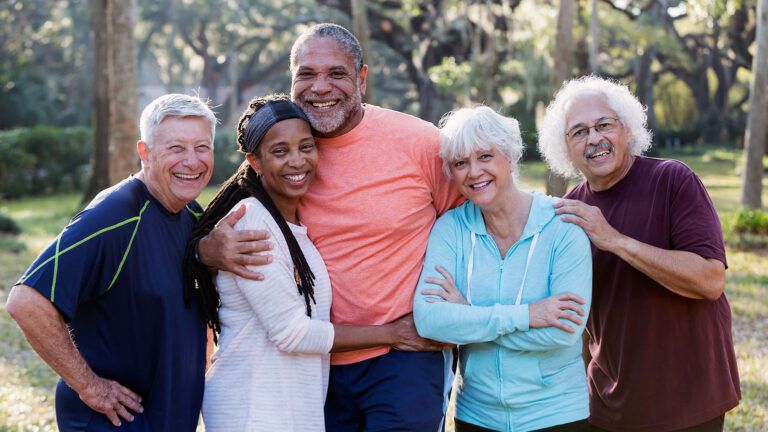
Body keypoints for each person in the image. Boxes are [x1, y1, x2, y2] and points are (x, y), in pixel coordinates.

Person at [196, 23, 463, 431]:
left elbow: (469, 222)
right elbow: (223, 214)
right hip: (315, 367)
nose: (320, 87)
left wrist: (463, 303)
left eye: (336, 73)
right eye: (306, 74)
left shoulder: (420, 142)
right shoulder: (286, 150)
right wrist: (204, 249)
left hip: (406, 354)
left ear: (361, 78)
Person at [537, 76, 740, 432]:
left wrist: (615, 240)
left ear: (627, 130)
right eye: (579, 132)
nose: (594, 139)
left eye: (604, 125)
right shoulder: (569, 210)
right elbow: (578, 316)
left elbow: (710, 280)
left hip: (690, 400)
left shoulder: (673, 180)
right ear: (565, 149)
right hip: (609, 406)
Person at [5, 93, 215, 431]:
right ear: (144, 153)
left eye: (202, 147)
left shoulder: (193, 214)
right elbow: (26, 302)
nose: (192, 161)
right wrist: (90, 387)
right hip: (114, 421)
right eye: (176, 148)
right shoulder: (114, 217)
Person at [413, 106, 593, 432]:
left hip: (557, 414)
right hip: (476, 416)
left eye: (485, 156)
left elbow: (563, 329)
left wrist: (468, 315)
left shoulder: (562, 226)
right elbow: (430, 321)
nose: (474, 172)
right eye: (460, 163)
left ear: (510, 157)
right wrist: (527, 315)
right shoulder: (450, 229)